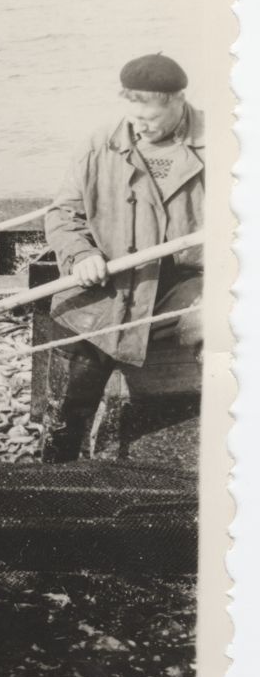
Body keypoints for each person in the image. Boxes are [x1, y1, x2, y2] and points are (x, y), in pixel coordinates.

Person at [41, 54, 204, 462]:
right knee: (73, 367)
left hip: (186, 287)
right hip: (112, 285)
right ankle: (56, 467)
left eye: (149, 119)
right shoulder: (101, 143)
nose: (139, 126)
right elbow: (63, 214)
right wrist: (81, 254)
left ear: (178, 100)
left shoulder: (229, 143)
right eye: (133, 116)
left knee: (225, 335)